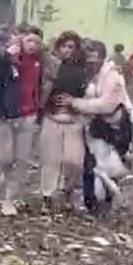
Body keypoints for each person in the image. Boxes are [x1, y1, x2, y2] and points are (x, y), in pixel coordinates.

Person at [63, 40, 133, 215]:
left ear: (102, 58)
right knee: (91, 166)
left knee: (108, 167)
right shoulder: (87, 73)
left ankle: (106, 204)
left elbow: (107, 105)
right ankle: (93, 204)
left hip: (115, 128)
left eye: (94, 60)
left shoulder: (112, 76)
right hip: (95, 125)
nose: (91, 64)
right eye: (88, 60)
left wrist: (75, 103)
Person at [0, 32, 43, 216]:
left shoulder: (40, 63)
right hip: (7, 116)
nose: (33, 45)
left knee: (22, 160)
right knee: (4, 157)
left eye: (37, 41)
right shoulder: (8, 61)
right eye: (29, 40)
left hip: (28, 115)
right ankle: (5, 171)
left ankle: (9, 199)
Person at [38, 31, 90, 211]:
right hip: (52, 118)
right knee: (50, 160)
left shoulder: (82, 70)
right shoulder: (50, 67)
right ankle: (47, 197)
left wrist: (74, 103)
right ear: (58, 47)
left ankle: (67, 192)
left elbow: (86, 95)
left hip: (73, 120)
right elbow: (41, 92)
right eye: (64, 46)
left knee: (74, 161)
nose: (67, 50)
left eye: (71, 47)